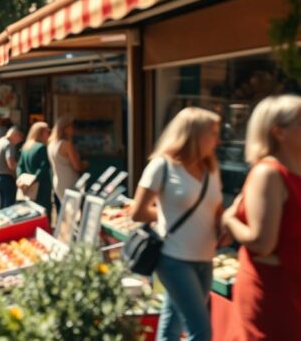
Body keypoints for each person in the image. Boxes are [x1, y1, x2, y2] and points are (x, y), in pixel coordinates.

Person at [129, 107, 224, 341]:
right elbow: (138, 212)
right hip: (174, 258)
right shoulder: (162, 166)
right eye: (212, 133)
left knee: (172, 323)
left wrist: (226, 228)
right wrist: (165, 216)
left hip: (205, 258)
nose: (217, 140)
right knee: (201, 331)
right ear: (195, 134)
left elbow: (216, 210)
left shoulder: (210, 169)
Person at [221, 95, 301, 340]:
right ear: (278, 132)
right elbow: (262, 243)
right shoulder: (269, 173)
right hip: (275, 290)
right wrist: (228, 219)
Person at [48, 117, 87, 210]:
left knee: (66, 211)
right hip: (69, 181)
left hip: (58, 181)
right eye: (71, 127)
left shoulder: (51, 144)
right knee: (73, 212)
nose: (73, 129)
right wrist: (85, 164)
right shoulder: (66, 145)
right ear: (65, 128)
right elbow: (77, 166)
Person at [16, 122, 53, 213]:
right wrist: (33, 180)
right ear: (41, 133)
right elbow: (44, 168)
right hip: (41, 186)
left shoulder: (26, 146)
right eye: (48, 133)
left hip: (26, 186)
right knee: (43, 212)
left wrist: (21, 180)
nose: (49, 135)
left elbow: (20, 166)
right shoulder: (41, 147)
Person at [0, 126, 24, 209]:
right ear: (16, 134)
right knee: (9, 206)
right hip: (6, 178)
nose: (19, 141)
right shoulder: (9, 144)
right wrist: (20, 168)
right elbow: (11, 164)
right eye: (20, 138)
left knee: (3, 203)